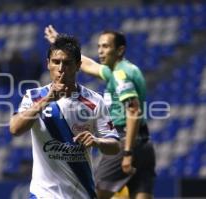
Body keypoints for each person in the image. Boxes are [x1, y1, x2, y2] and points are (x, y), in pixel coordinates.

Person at [45, 26, 156, 199]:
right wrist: (61, 43)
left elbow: (133, 110)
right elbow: (89, 65)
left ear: (120, 50)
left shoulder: (120, 74)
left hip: (125, 140)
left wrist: (127, 151)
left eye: (105, 46)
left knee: (93, 195)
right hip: (145, 144)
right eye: (99, 46)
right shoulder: (124, 70)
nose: (100, 51)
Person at [9, 35, 120, 199]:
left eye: (67, 63)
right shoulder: (34, 97)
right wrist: (46, 100)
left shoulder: (95, 100)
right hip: (44, 194)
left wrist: (97, 141)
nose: (61, 68)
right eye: (55, 62)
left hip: (82, 193)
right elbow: (15, 128)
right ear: (48, 64)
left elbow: (114, 146)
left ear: (78, 66)